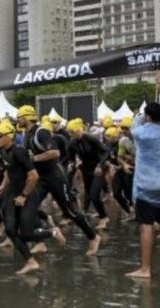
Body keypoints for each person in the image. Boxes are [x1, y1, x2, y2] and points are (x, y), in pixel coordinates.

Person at [18, 105, 100, 256]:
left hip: (55, 177)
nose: (17, 120)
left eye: (19, 117)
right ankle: (40, 243)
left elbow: (55, 153)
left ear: (26, 118)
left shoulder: (40, 132)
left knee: (70, 212)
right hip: (40, 178)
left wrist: (34, 158)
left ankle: (93, 237)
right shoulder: (26, 134)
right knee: (29, 205)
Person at [125, 71, 160, 279]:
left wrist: (143, 115)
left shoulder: (140, 134)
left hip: (145, 187)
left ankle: (145, 269)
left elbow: (135, 123)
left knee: (146, 227)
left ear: (148, 117)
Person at [0, 123, 65, 275]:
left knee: (26, 234)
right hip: (12, 193)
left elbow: (34, 176)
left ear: (9, 136)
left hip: (28, 194)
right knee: (10, 230)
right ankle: (31, 262)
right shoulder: (1, 152)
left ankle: (52, 232)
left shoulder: (19, 152)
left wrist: (24, 196)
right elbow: (8, 171)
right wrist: (2, 186)